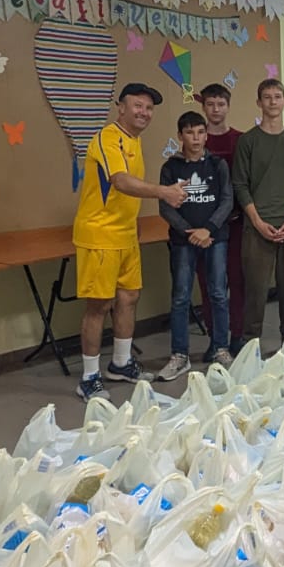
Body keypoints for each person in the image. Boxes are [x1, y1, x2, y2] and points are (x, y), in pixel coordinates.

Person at [71, 82, 187, 401]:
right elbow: (119, 181)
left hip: (125, 235)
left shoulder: (134, 141)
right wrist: (164, 191)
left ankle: (120, 364)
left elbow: (124, 193)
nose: (144, 113)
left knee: (128, 298)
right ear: (120, 106)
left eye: (149, 108)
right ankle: (89, 377)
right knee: (99, 305)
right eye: (138, 106)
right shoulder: (108, 138)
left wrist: (134, 221)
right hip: (99, 235)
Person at [232, 78, 284, 353]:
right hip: (257, 227)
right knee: (255, 290)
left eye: (278, 96)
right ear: (259, 103)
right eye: (267, 97)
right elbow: (240, 185)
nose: (273, 101)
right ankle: (251, 346)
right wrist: (256, 221)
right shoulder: (248, 141)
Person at [157, 110, 234, 381]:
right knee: (180, 297)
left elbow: (227, 200)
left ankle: (220, 349)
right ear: (180, 136)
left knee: (218, 294)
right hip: (183, 241)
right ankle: (180, 355)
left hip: (215, 238)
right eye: (190, 132)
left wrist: (208, 229)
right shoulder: (171, 168)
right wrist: (188, 231)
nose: (196, 138)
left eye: (201, 132)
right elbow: (165, 207)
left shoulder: (217, 165)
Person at [197, 82, 244, 356]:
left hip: (236, 223)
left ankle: (236, 335)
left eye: (221, 104)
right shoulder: (195, 139)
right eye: (210, 104)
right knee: (209, 285)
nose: (216, 109)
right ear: (203, 107)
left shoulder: (240, 139)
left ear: (228, 106)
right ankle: (216, 340)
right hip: (205, 227)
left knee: (237, 281)